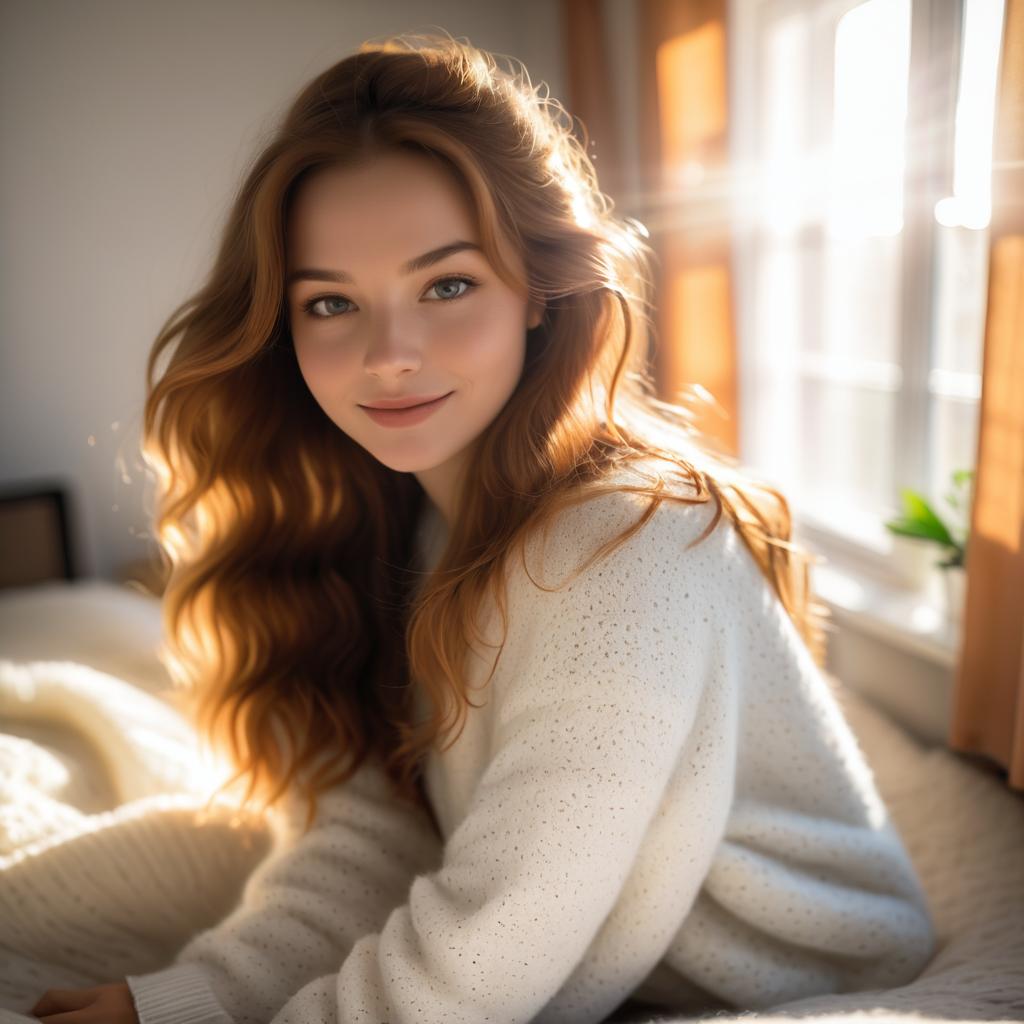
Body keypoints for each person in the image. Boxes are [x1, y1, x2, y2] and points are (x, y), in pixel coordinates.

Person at [29, 30, 936, 1024]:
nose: (389, 356)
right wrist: (183, 1003)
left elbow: (499, 936)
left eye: (447, 284)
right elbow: (384, 837)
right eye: (331, 303)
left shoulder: (626, 544)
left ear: (540, 289)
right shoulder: (411, 519)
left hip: (791, 980)